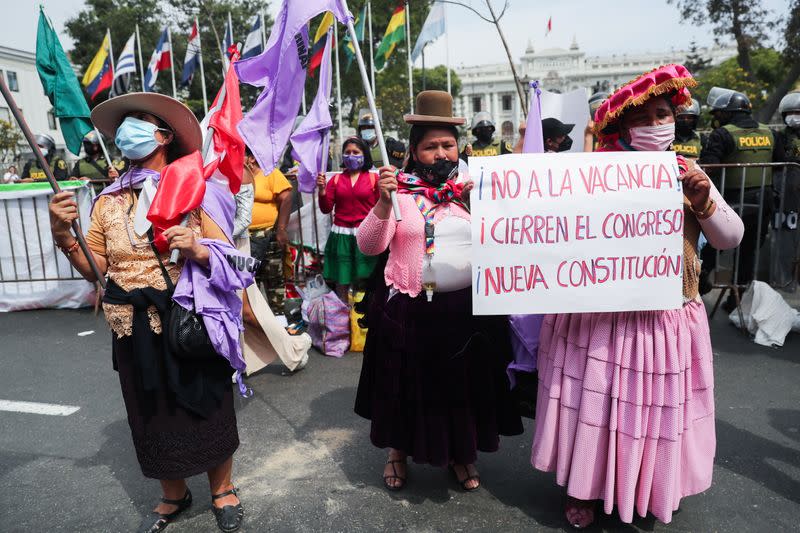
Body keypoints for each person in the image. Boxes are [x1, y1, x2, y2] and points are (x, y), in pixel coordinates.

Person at [531, 64, 744, 528]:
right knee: (595, 406)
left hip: (664, 319)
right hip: (601, 318)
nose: (655, 125)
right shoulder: (593, 174)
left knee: (654, 411)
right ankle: (584, 489)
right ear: (621, 127)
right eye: (641, 119)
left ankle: (648, 486)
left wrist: (704, 201)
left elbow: (730, 236)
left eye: (663, 114)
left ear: (676, 118)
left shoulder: (690, 172)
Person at [48, 93, 247, 533]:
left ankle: (223, 488)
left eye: (139, 121)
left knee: (207, 401)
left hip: (188, 319)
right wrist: (63, 235)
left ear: (165, 135)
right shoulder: (108, 201)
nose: (126, 131)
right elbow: (96, 271)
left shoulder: (200, 189)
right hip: (130, 324)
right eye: (123, 124)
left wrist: (197, 248)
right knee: (149, 408)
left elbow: (235, 264)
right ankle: (173, 494)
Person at [355, 90, 523, 492]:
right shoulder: (399, 192)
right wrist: (382, 203)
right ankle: (397, 452)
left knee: (461, 388)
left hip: (466, 311)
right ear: (414, 152)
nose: (441, 153)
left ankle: (461, 454)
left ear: (459, 148)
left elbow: (509, 239)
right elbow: (369, 245)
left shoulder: (476, 188)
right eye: (431, 147)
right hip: (410, 309)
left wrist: (482, 206)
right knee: (405, 387)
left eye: (447, 145)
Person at [698, 87, 779, 309]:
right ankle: (738, 299)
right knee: (749, 251)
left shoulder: (723, 134)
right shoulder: (770, 132)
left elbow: (709, 167)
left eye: (717, 114)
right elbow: (782, 164)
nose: (716, 118)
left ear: (726, 113)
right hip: (764, 202)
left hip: (731, 202)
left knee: (712, 244)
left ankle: (700, 281)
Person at [316, 136, 380, 303]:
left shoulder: (374, 179)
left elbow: (383, 208)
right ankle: (342, 316)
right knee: (342, 282)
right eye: (347, 152)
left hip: (366, 235)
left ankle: (366, 318)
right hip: (341, 235)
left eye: (356, 152)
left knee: (367, 280)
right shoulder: (336, 179)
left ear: (364, 155)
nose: (351, 155)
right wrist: (322, 191)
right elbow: (326, 208)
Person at [247, 147, 293, 311]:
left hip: (268, 235)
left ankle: (279, 318)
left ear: (251, 158)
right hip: (244, 239)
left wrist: (281, 229)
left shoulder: (269, 173)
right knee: (250, 281)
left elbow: (286, 197)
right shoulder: (236, 174)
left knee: (273, 278)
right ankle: (256, 321)